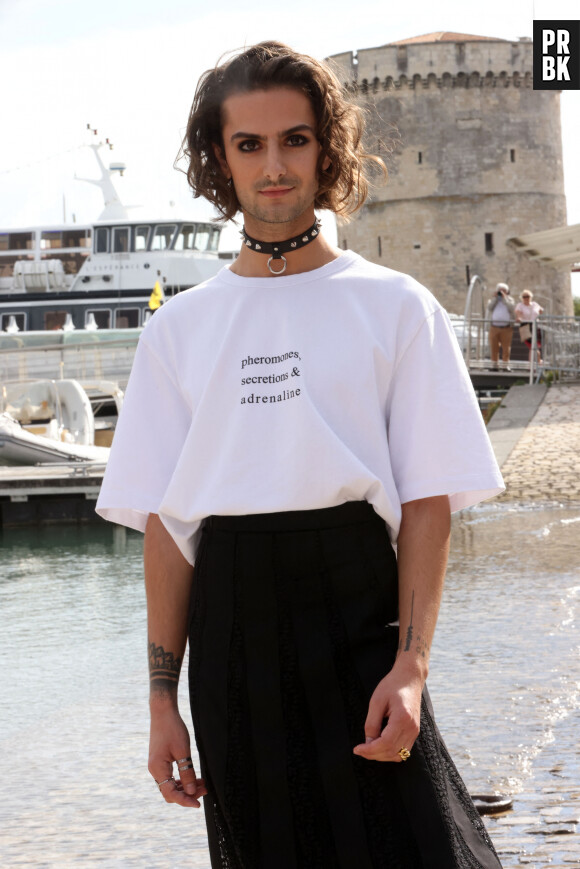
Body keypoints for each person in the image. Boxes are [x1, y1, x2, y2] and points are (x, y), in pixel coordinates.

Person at [96, 41, 505, 868]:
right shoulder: (178, 331)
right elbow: (170, 531)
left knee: (423, 846)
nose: (273, 164)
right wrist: (158, 700)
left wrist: (412, 667)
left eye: (295, 139)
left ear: (327, 151)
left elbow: (427, 499)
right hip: (233, 630)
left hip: (361, 608)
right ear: (221, 158)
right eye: (249, 144)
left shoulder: (396, 307)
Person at [486, 282, 516, 371]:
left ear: (507, 292)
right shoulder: (493, 300)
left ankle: (505, 366)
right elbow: (489, 308)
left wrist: (504, 299)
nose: (501, 292)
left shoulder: (510, 300)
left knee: (506, 348)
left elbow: (511, 308)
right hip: (494, 327)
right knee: (494, 347)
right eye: (500, 290)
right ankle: (494, 365)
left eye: (503, 290)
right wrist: (495, 298)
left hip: (506, 328)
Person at [515, 289, 543, 365]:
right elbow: (518, 314)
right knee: (533, 346)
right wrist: (519, 318)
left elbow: (541, 310)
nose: (526, 298)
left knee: (535, 346)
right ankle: (536, 364)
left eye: (528, 296)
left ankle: (534, 365)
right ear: (522, 298)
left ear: (531, 297)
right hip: (526, 327)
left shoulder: (535, 304)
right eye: (524, 297)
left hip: (535, 327)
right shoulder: (520, 305)